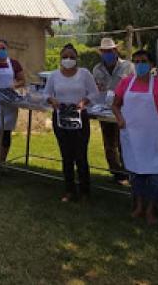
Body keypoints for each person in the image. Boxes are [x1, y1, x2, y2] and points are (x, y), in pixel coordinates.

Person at [111, 50, 158, 225]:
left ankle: (151, 210)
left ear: (152, 65)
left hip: (153, 139)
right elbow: (115, 105)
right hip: (132, 138)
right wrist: (120, 119)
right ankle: (138, 206)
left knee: (154, 177)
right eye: (136, 61)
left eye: (143, 61)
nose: (140, 65)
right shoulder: (125, 83)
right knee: (136, 175)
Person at [44, 44, 98, 202]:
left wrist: (84, 101)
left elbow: (94, 92)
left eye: (72, 57)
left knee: (81, 155)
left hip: (80, 117)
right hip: (60, 117)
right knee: (66, 155)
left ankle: (85, 191)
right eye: (65, 57)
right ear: (60, 59)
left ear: (77, 59)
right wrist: (51, 100)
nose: (68, 60)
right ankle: (69, 190)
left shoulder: (84, 74)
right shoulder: (54, 75)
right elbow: (46, 93)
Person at [92, 38, 134, 185]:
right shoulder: (97, 69)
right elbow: (95, 89)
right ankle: (117, 175)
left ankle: (130, 172)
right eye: (104, 51)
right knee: (109, 143)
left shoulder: (128, 67)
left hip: (124, 110)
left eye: (109, 51)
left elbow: (135, 86)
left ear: (115, 51)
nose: (107, 54)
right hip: (105, 110)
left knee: (125, 142)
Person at [0, 39, 26, 164]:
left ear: (7, 50)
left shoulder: (14, 64)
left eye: (3, 48)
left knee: (6, 133)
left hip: (9, 104)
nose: (1, 51)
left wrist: (14, 85)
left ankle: (3, 161)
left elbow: (22, 80)